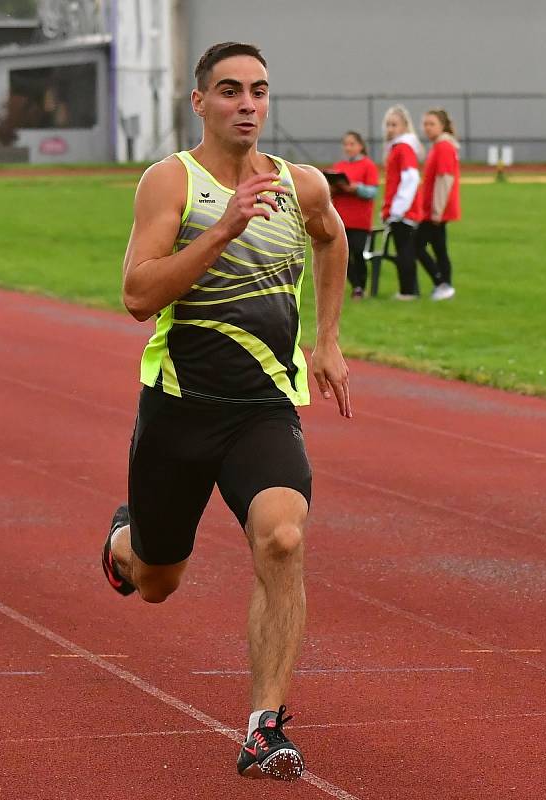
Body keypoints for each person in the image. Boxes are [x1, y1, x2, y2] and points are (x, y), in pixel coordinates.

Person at [100, 41, 351, 782]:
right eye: (231, 90)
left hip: (262, 410)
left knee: (282, 538)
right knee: (155, 580)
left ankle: (262, 727)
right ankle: (123, 541)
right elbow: (139, 297)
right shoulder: (170, 181)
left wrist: (328, 339)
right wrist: (222, 230)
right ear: (200, 102)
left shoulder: (300, 185)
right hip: (179, 412)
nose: (247, 104)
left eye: (260, 91)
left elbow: (333, 239)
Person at [416, 108, 461, 301]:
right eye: (425, 124)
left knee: (416, 245)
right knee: (439, 248)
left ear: (442, 126)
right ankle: (445, 286)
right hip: (435, 209)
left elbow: (445, 179)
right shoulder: (439, 146)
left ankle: (441, 282)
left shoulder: (443, 147)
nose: (427, 128)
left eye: (431, 123)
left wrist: (436, 210)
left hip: (436, 210)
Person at [329, 131, 379, 300]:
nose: (348, 147)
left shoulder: (368, 165)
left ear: (360, 146)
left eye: (352, 144)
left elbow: (372, 191)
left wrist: (356, 188)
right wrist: (334, 188)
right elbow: (329, 192)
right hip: (341, 218)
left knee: (358, 252)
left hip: (360, 220)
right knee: (343, 255)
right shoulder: (339, 166)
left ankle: (361, 285)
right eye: (346, 144)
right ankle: (356, 286)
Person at [380, 105, 423, 300]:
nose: (390, 129)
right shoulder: (398, 147)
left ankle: (407, 291)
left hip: (403, 210)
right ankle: (411, 289)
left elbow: (411, 178)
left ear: (405, 126)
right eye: (388, 124)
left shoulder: (403, 148)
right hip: (400, 208)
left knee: (404, 250)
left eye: (394, 124)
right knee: (405, 249)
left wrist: (398, 208)